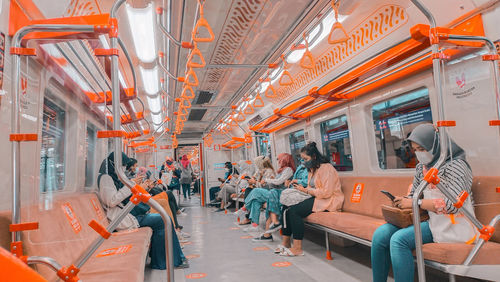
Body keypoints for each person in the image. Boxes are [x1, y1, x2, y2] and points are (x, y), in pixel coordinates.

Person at [371, 124, 476, 282]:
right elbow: (415, 193)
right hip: (429, 217)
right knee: (380, 236)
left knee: (398, 240)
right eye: (415, 150)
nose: (418, 154)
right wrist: (405, 200)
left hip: (450, 224)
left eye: (422, 148)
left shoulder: (457, 166)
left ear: (435, 145)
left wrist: (416, 202)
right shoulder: (423, 167)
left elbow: (453, 205)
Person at [97, 152, 188, 269]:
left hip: (127, 214)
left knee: (163, 217)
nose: (125, 168)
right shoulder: (106, 178)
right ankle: (163, 261)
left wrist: (132, 185)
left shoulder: (114, 177)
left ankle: (172, 258)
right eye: (123, 165)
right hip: (121, 218)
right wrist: (132, 185)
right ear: (114, 164)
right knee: (162, 220)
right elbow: (111, 200)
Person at [278, 142, 344, 256]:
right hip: (315, 197)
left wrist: (306, 191)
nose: (303, 162)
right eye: (302, 159)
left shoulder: (326, 168)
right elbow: (310, 186)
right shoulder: (312, 169)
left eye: (305, 159)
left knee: (294, 211)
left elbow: (326, 192)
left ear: (314, 157)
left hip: (329, 200)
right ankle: (286, 243)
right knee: (286, 207)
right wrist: (302, 189)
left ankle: (298, 248)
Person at [253, 153, 296, 241]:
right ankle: (268, 231)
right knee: (266, 201)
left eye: (279, 159)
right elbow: (276, 182)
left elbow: (279, 181)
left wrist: (267, 180)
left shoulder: (288, 170)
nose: (278, 162)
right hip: (277, 192)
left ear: (284, 160)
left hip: (283, 193)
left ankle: (267, 231)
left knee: (257, 192)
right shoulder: (281, 170)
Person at [239, 157, 276, 230]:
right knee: (255, 201)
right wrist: (257, 179)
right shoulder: (262, 171)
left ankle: (245, 207)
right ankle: (254, 225)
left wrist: (255, 182)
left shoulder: (269, 172)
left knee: (255, 191)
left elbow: (267, 185)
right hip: (263, 192)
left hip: (270, 192)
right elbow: (260, 183)